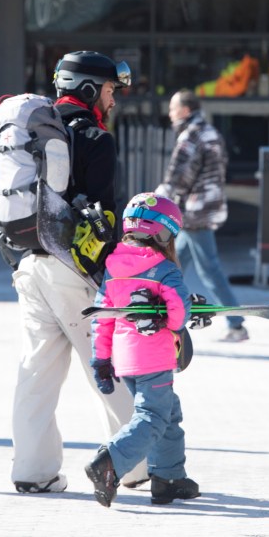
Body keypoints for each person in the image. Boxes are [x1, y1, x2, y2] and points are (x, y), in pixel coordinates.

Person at [10, 50, 149, 493]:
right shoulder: (94, 137)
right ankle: (134, 465)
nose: (114, 99)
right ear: (90, 89)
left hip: (29, 265)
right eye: (111, 90)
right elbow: (104, 218)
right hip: (75, 272)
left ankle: (32, 472)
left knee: (36, 372)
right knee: (105, 365)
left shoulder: (28, 132)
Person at [84, 192, 199, 508]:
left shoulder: (113, 267)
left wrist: (101, 360)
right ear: (164, 233)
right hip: (154, 357)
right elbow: (177, 316)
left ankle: (168, 478)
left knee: (168, 412)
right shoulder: (164, 269)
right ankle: (110, 462)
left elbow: (102, 318)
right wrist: (185, 309)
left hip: (125, 358)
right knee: (152, 416)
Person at [155, 89, 246, 342]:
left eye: (173, 108)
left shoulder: (191, 136)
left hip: (195, 213)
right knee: (173, 265)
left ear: (185, 110)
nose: (170, 114)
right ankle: (163, 311)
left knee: (209, 270)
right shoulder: (211, 132)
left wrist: (161, 197)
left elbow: (179, 175)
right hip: (209, 206)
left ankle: (236, 323)